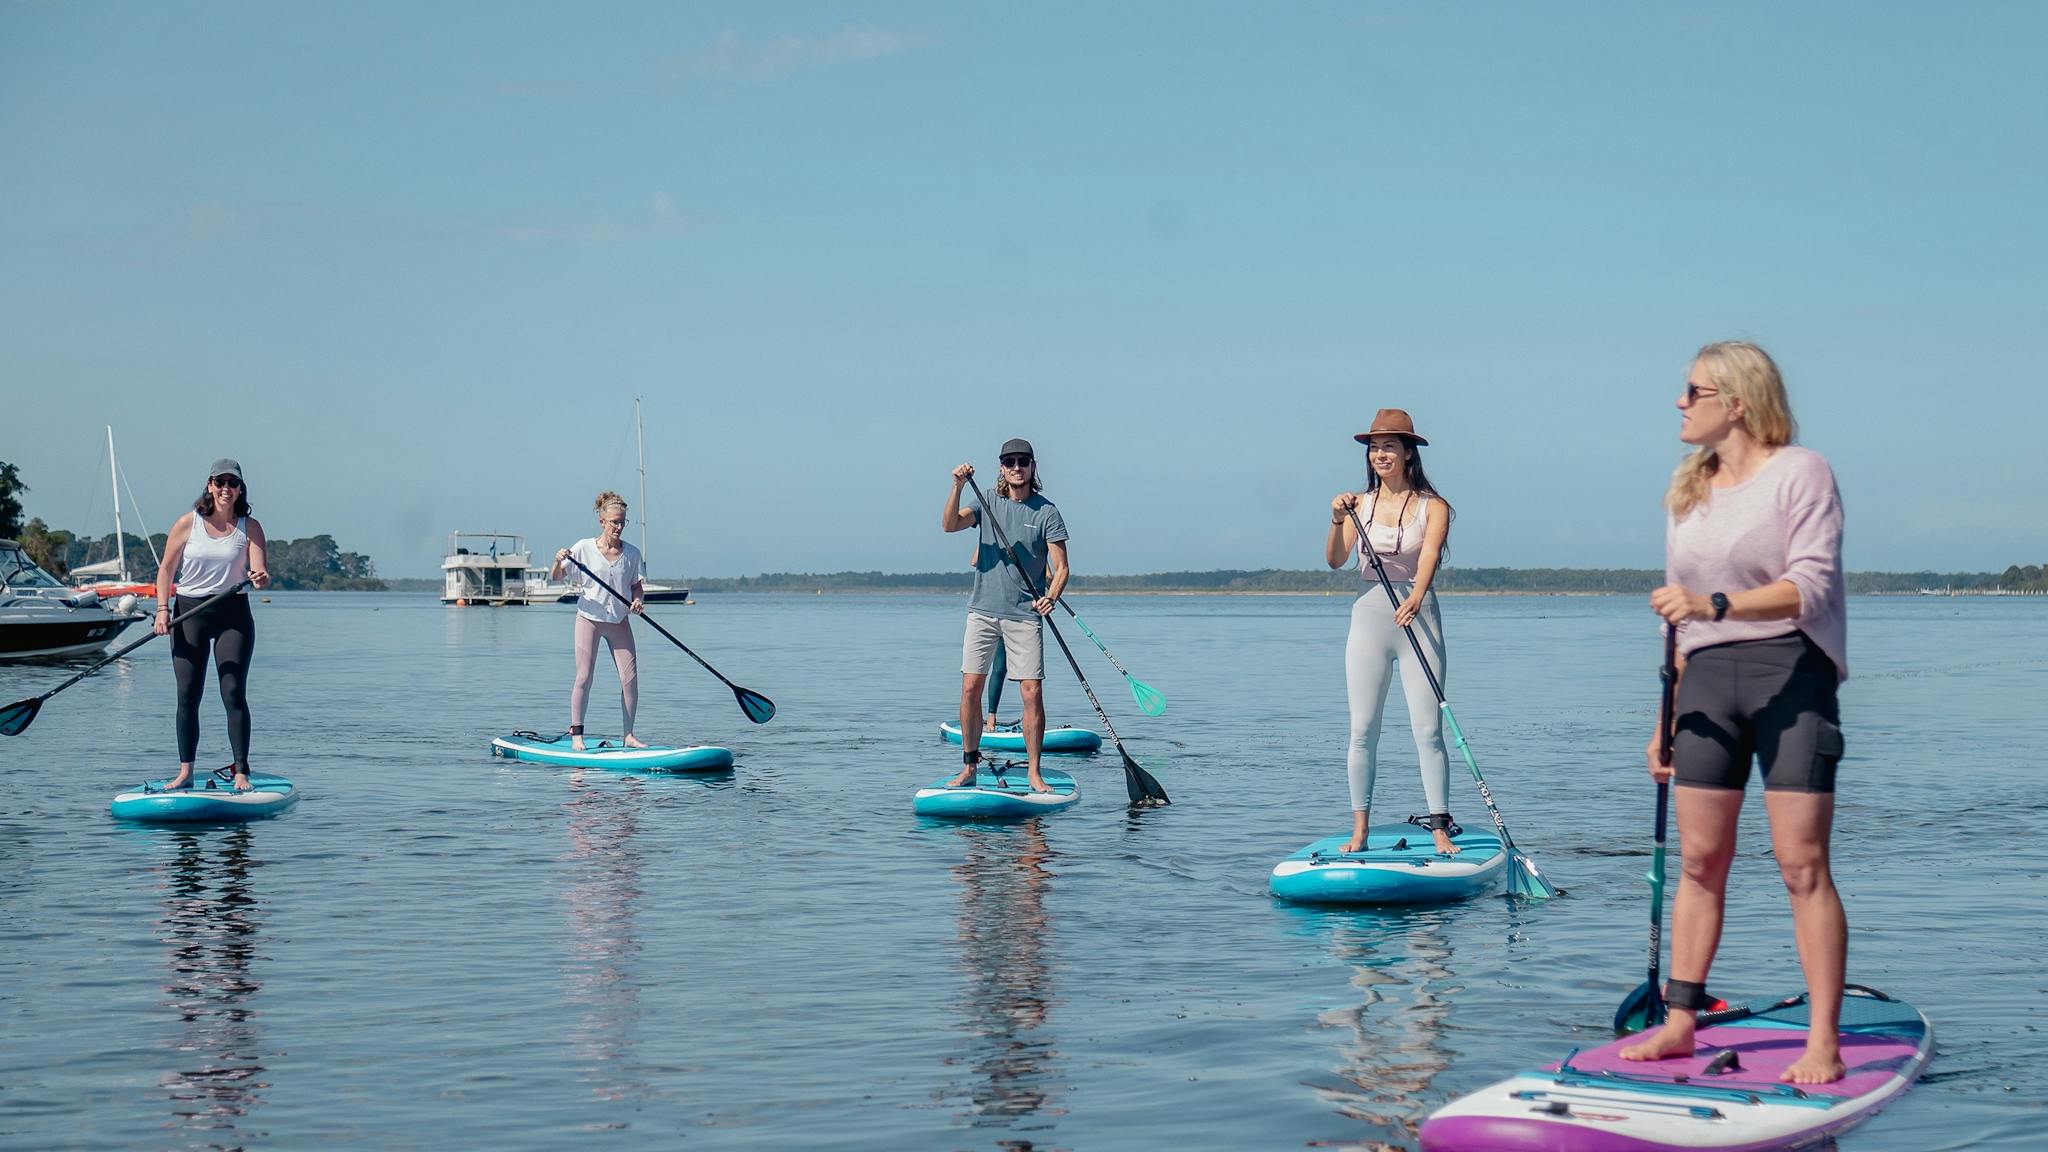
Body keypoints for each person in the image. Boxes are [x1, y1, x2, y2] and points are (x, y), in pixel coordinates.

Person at [1620, 341, 1849, 1085]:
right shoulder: (1687, 490)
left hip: (1792, 670)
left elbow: (1808, 587)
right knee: (1699, 861)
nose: (1679, 404)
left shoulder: (1801, 473)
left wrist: (1716, 604)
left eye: (1693, 391)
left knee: (1800, 863)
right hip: (1708, 680)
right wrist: (1666, 718)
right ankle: (1680, 1022)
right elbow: (1677, 617)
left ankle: (1823, 1041)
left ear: (1738, 401)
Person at [1323, 409, 1457, 855]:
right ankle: (1359, 830)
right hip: (1369, 616)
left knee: (1428, 729)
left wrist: (1416, 596)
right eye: (1374, 447)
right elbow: (1335, 560)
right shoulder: (1358, 505)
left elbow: (1430, 554)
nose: (1380, 454)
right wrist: (1338, 519)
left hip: (1418, 617)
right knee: (1362, 729)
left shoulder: (1432, 506)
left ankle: (1439, 826)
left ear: (1407, 453)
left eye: (1389, 446)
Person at [942, 439, 1068, 792]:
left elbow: (1061, 568)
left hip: (1025, 615)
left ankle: (1034, 773)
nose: (1016, 467)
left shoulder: (1047, 512)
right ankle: (969, 766)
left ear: (1032, 467)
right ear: (1001, 467)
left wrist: (1051, 597)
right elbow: (949, 525)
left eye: (1022, 462)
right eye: (1009, 461)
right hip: (982, 611)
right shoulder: (987, 501)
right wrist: (956, 486)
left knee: (1031, 694)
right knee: (970, 689)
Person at [152, 459, 270, 791]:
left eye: (233, 483)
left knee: (233, 691)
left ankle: (241, 771)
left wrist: (259, 578)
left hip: (232, 612)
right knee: (188, 694)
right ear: (210, 485)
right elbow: (165, 570)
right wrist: (162, 611)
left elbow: (260, 574)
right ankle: (185, 772)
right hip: (189, 612)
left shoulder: (251, 527)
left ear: (240, 489)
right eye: (220, 482)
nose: (226, 489)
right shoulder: (187, 524)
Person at [550, 491, 646, 752]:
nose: (619, 527)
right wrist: (558, 561)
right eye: (614, 521)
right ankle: (577, 736)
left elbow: (637, 587)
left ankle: (629, 735)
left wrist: (638, 600)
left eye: (623, 522)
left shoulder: (632, 554)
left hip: (619, 621)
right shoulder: (583, 548)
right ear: (602, 521)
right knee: (584, 676)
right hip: (589, 620)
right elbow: (557, 576)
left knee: (630, 679)